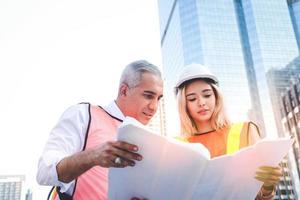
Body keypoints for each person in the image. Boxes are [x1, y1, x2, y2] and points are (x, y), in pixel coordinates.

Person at [37, 60, 163, 200]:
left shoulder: (151, 141)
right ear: (124, 91)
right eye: (148, 96)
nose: (154, 107)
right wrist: (93, 156)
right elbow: (44, 172)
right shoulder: (84, 114)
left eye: (159, 98)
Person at [174, 63, 282, 200]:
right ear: (184, 104)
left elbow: (262, 197)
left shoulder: (246, 131)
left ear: (216, 97)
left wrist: (268, 185)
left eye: (207, 95)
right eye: (192, 99)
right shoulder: (178, 145)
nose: (201, 102)